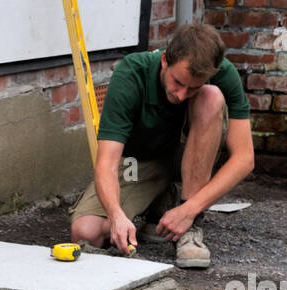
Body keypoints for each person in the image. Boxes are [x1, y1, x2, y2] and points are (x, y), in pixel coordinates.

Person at [69, 22, 254, 269]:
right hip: (140, 163)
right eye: (178, 82)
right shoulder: (131, 73)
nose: (181, 95)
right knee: (86, 232)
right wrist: (115, 215)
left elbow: (244, 158)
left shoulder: (222, 73)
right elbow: (107, 163)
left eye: (192, 87)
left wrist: (191, 209)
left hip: (192, 155)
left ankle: (190, 226)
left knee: (211, 98)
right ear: (165, 60)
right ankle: (162, 202)